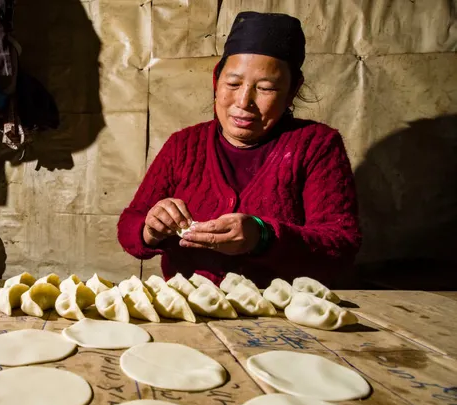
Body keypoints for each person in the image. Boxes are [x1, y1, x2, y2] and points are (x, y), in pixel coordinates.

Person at [117, 11, 361, 287]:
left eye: (266, 88)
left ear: (293, 90)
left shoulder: (317, 145)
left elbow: (341, 246)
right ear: (216, 81)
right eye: (232, 84)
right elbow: (130, 225)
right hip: (191, 310)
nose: (244, 101)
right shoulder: (182, 145)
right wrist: (150, 228)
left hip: (277, 319)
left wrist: (263, 236)